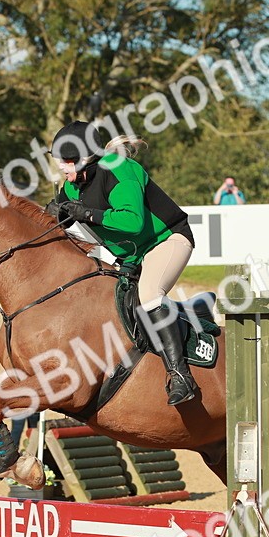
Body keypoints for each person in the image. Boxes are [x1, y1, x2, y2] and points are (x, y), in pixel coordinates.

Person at [46, 121, 199, 406]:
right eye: (59, 162)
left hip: (167, 240)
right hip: (131, 258)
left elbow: (132, 221)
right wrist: (54, 214)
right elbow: (62, 220)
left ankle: (180, 375)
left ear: (85, 157)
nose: (62, 169)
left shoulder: (119, 169)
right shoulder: (72, 185)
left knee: (149, 295)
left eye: (66, 161)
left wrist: (86, 214)